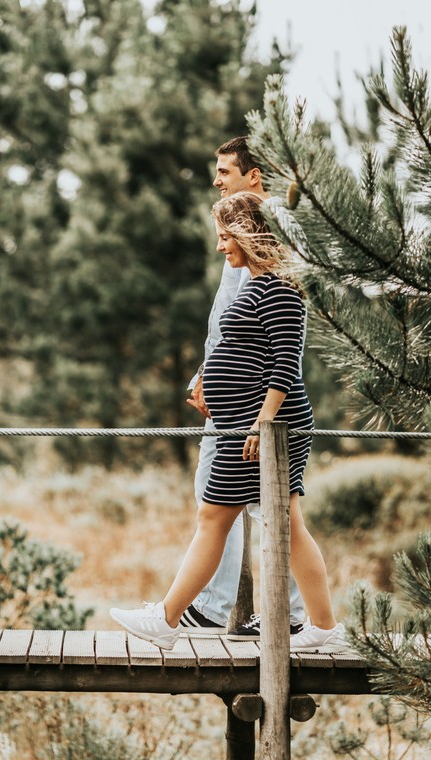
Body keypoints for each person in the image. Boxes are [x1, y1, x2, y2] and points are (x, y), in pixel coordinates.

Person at [111, 191, 347, 653]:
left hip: (263, 432)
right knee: (267, 521)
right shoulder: (261, 283)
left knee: (226, 518)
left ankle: (168, 618)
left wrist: (263, 423)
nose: (221, 248)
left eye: (225, 237)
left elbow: (285, 364)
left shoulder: (280, 287)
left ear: (248, 234)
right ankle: (321, 627)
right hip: (246, 428)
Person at [182, 136, 305, 640]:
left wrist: (220, 382)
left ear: (254, 175)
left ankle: (220, 608)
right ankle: (285, 613)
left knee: (249, 507)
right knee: (258, 507)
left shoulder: (258, 234)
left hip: (249, 408)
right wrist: (206, 373)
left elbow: (261, 332)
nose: (217, 178)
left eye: (226, 170)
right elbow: (227, 323)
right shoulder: (244, 228)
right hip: (235, 398)